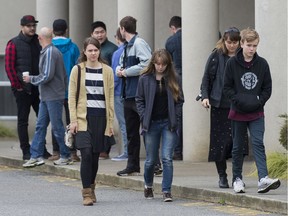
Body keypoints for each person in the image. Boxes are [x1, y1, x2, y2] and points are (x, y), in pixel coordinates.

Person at [223, 27, 281, 194]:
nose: (252, 49)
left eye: (255, 45)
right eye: (249, 45)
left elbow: (267, 88)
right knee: (238, 146)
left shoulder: (262, 64)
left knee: (257, 143)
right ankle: (237, 179)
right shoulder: (232, 63)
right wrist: (239, 100)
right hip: (238, 111)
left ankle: (263, 178)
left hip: (256, 112)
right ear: (242, 44)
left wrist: (258, 101)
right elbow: (227, 88)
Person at [200, 27, 249, 188]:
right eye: (229, 42)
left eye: (235, 42)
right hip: (219, 104)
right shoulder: (216, 56)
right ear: (224, 41)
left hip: (239, 105)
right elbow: (206, 78)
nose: (232, 46)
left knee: (238, 142)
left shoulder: (244, 57)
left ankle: (237, 176)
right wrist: (205, 96)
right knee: (219, 142)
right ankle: (222, 176)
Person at [68, 37, 114, 205]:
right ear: (85, 51)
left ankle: (91, 186)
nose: (93, 53)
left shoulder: (107, 71)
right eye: (90, 50)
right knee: (86, 154)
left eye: (96, 50)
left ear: (99, 51)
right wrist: (73, 120)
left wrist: (110, 124)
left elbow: (110, 99)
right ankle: (86, 193)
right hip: (82, 119)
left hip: (100, 118)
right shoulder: (77, 70)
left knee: (94, 158)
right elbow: (71, 97)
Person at [136, 49, 184, 202]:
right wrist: (144, 117)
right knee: (151, 160)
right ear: (153, 64)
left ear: (167, 64)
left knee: (167, 158)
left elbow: (180, 100)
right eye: (158, 64)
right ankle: (148, 185)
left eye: (163, 64)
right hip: (151, 124)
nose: (160, 67)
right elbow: (139, 99)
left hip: (168, 123)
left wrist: (175, 117)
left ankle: (166, 191)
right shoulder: (145, 79)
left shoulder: (174, 78)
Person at [22, 27, 72, 168]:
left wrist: (30, 79)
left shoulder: (50, 52)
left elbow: (46, 75)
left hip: (52, 96)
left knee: (56, 127)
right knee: (41, 126)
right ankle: (35, 156)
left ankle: (66, 155)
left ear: (40, 38)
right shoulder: (49, 51)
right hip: (48, 95)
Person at [4, 15, 51, 161]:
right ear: (22, 27)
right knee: (23, 121)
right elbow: (9, 68)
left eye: (33, 25)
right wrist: (17, 86)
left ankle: (41, 149)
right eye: (28, 26)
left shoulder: (39, 41)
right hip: (22, 89)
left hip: (38, 88)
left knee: (42, 119)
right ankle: (26, 151)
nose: (32, 28)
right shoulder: (13, 43)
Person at [116, 16, 152, 176]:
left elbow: (147, 64)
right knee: (132, 133)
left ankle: (154, 164)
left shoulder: (138, 44)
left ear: (123, 29)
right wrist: (119, 69)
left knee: (147, 130)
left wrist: (125, 72)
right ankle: (133, 165)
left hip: (139, 94)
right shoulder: (127, 46)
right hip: (128, 94)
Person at [51, 18, 80, 162]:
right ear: (66, 30)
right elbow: (78, 67)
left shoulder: (49, 47)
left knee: (56, 120)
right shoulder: (73, 47)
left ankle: (56, 151)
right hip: (71, 89)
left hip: (54, 90)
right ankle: (73, 152)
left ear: (53, 31)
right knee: (71, 121)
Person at [91, 20, 118, 159]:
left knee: (107, 118)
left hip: (107, 88)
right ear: (92, 34)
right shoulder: (90, 49)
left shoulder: (112, 49)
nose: (100, 35)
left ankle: (105, 149)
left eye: (102, 32)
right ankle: (97, 146)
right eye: (97, 32)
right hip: (92, 88)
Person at [165, 16, 183, 160]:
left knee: (177, 113)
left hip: (177, 79)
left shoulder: (171, 41)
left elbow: (167, 64)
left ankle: (177, 150)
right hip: (195, 78)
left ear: (173, 28)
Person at [110, 27, 128, 161]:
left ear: (117, 38)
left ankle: (127, 152)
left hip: (118, 92)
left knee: (123, 124)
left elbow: (115, 77)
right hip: (131, 92)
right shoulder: (130, 50)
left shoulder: (117, 53)